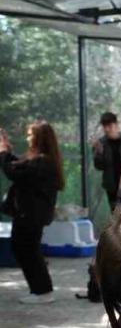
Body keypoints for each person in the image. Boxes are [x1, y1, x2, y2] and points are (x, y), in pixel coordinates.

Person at [0, 122, 64, 304]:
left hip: (32, 214)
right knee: (24, 248)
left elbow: (14, 172)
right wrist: (6, 152)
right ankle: (39, 289)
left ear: (40, 138)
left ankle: (43, 291)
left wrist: (3, 153)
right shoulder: (39, 159)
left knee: (28, 249)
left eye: (30, 135)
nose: (27, 138)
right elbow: (17, 167)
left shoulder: (44, 161)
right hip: (27, 212)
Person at [92, 111, 121, 210]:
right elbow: (99, 166)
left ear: (116, 125)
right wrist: (99, 153)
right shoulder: (101, 143)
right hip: (112, 184)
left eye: (110, 126)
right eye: (104, 126)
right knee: (116, 212)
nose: (107, 129)